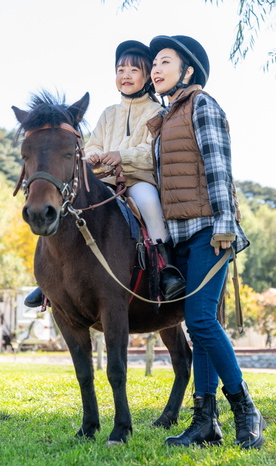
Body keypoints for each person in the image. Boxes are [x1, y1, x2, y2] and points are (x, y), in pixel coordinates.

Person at [147, 35, 266, 449]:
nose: (154, 69)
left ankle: (246, 409)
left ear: (188, 70)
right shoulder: (165, 119)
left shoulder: (201, 104)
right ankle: (205, 424)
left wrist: (225, 223)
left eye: (164, 62)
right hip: (180, 235)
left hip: (210, 231)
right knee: (198, 327)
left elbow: (218, 167)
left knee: (199, 320)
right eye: (153, 65)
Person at [24, 40, 185, 308]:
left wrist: (122, 156)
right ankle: (48, 280)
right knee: (67, 206)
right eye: (120, 70)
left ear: (147, 77)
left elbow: (153, 150)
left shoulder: (157, 111)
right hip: (105, 181)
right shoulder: (108, 113)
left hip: (139, 180)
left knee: (147, 202)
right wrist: (94, 156)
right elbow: (94, 144)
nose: (125, 75)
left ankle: (165, 268)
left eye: (134, 70)